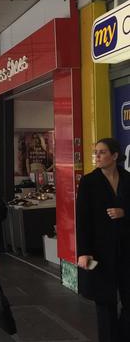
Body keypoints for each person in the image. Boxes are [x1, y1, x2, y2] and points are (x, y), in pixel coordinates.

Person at [76, 138, 130, 342]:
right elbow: (83, 219)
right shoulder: (89, 182)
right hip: (100, 252)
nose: (96, 156)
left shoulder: (127, 179)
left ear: (114, 156)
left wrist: (124, 212)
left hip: (126, 250)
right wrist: (83, 251)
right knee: (105, 302)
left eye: (102, 152)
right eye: (95, 152)